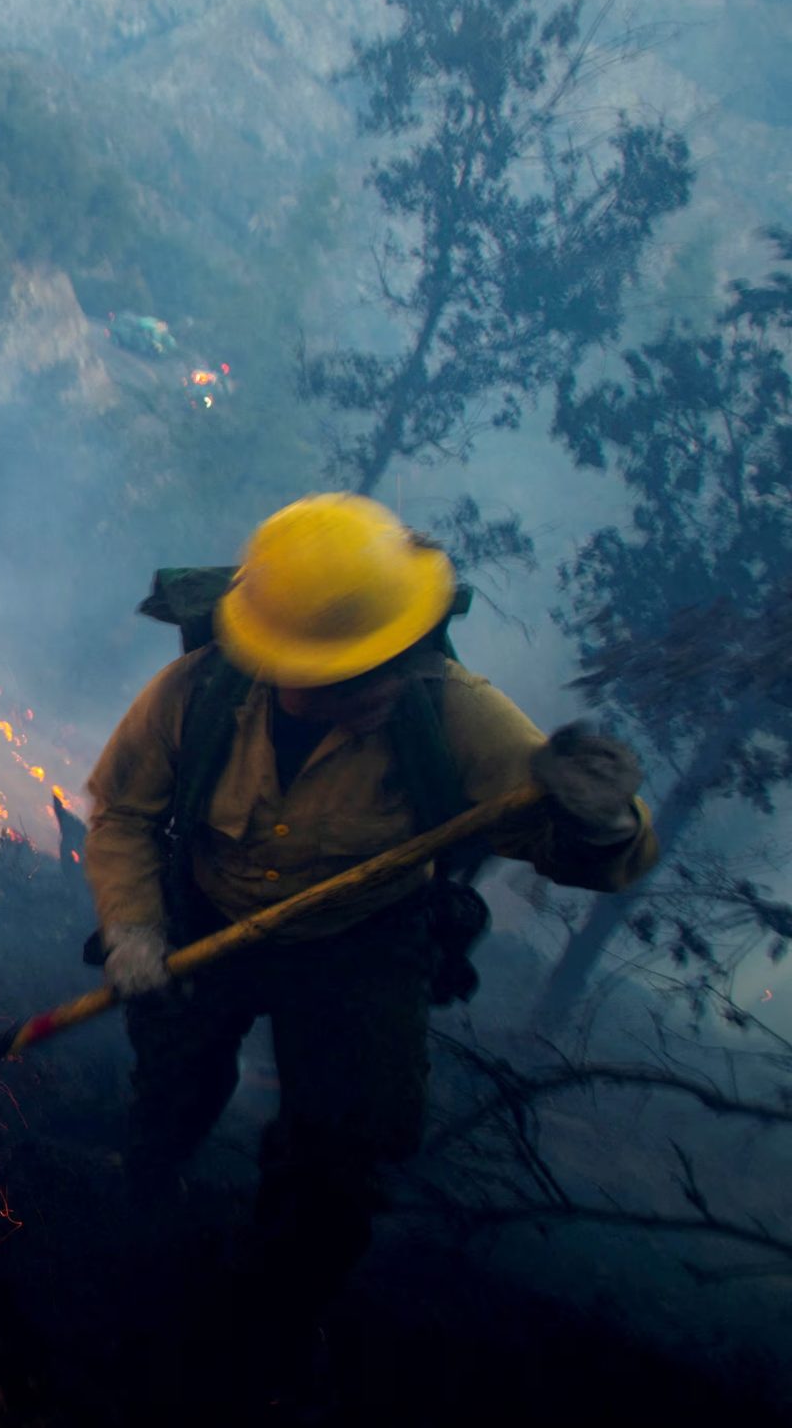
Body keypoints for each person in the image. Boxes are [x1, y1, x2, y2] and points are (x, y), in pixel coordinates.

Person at [83, 494, 658, 1321]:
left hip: (360, 943)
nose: (382, 682)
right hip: (208, 914)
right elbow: (126, 812)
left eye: (391, 658)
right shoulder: (199, 694)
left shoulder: (451, 709)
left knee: (343, 1146)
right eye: (349, 675)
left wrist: (601, 819)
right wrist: (135, 930)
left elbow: (595, 856)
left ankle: (272, 1309)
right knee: (174, 1077)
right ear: (282, 664)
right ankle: (139, 1206)